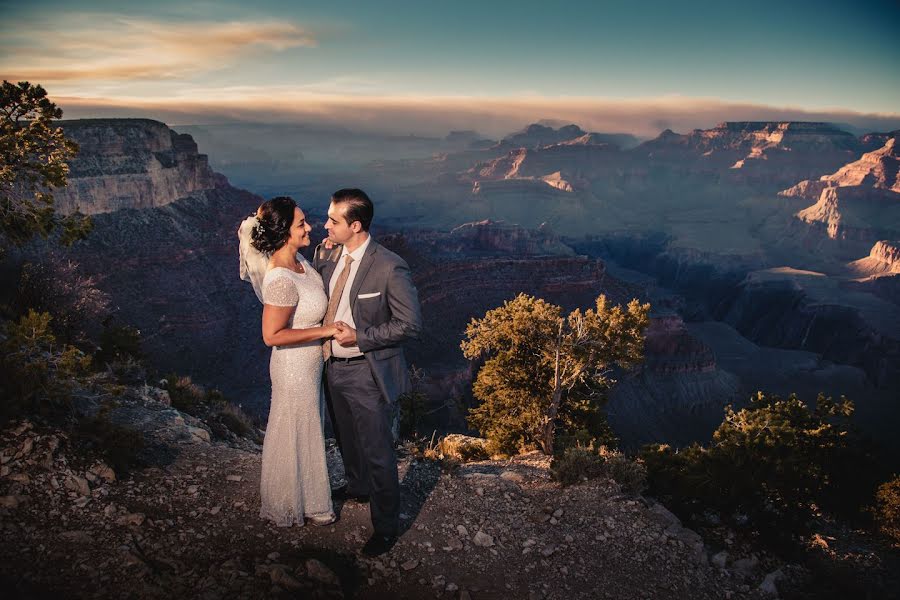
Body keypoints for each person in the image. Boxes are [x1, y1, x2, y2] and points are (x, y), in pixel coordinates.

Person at [313, 188, 423, 556]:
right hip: (332, 366)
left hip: (367, 372)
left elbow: (410, 324)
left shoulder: (389, 266)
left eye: (333, 220)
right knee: (345, 437)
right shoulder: (327, 254)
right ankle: (357, 486)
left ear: (355, 225)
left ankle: (386, 528)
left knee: (378, 451)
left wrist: (361, 337)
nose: (324, 225)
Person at [241, 196, 339, 527]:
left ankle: (311, 500)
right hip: (293, 367)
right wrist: (325, 331)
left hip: (310, 364)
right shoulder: (280, 278)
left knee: (309, 427)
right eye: (301, 224)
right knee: (293, 427)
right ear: (284, 232)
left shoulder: (300, 263)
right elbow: (272, 335)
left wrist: (325, 256)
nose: (308, 226)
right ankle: (286, 503)